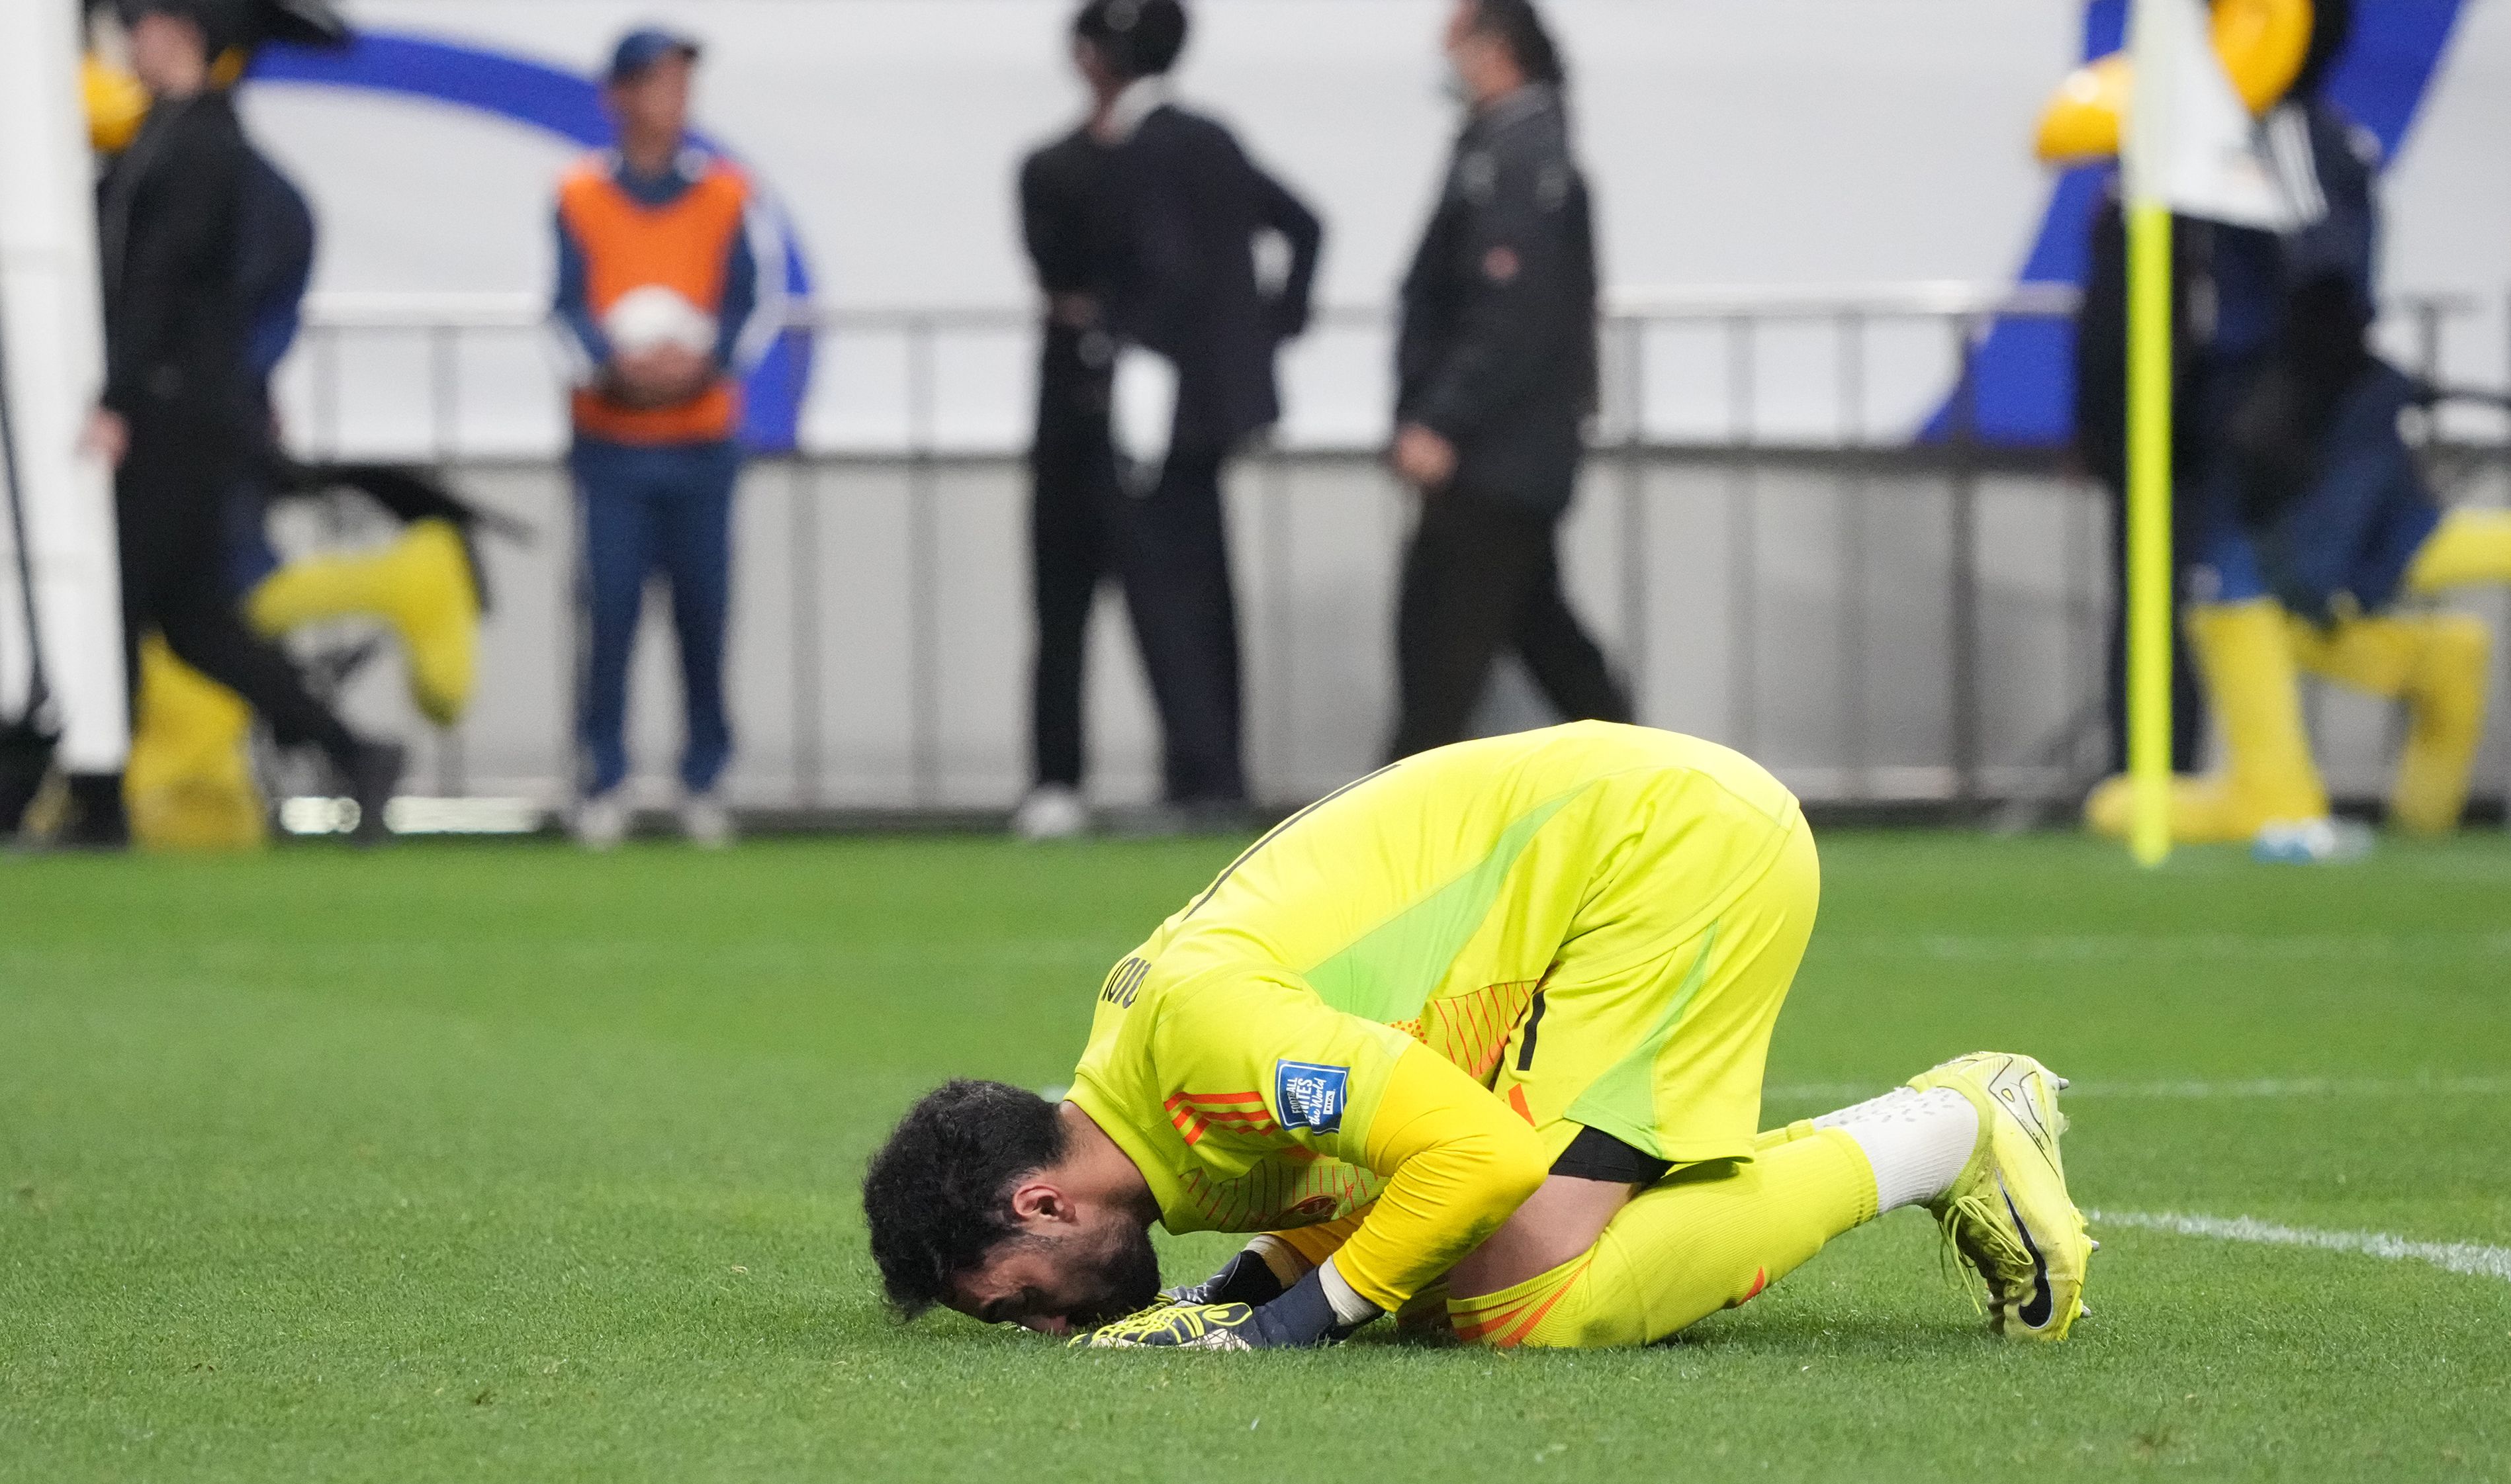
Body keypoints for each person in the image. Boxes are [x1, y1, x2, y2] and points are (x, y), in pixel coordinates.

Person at [862, 722, 2093, 1351]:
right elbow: (1365, 1156)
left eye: (1017, 1303)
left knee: (1519, 1295)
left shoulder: (1200, 1040)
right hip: (1603, 874)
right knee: (1436, 1277)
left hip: (1664, 851)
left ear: (1041, 1204)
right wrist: (1244, 1291)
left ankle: (1955, 1125)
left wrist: (1287, 1328)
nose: (1048, 1328)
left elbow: (1471, 1161)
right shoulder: (1148, 1091)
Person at [2053, 0, 2511, 846]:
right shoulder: (2183, 146)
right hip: (2240, 419)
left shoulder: (2293, 136)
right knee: (2268, 589)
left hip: (2313, 413)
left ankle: (2282, 795)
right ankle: (2324, 755)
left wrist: (2285, 409)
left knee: (2289, 574)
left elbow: (2332, 289)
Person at [83, 0, 402, 843]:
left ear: (179, 35)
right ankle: (348, 748)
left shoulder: (201, 152)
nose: (128, 43)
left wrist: (115, 399)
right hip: (184, 408)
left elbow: (160, 284)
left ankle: (97, 795)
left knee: (123, 600)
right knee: (193, 621)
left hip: (174, 414)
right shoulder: (174, 140)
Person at [1069, 0, 1321, 820]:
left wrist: (1125, 340)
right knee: (1206, 590)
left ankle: (1201, 776)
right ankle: (1217, 771)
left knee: (1166, 595)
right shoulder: (1208, 137)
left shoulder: (1143, 149)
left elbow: (1166, 270)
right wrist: (1264, 336)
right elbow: (1304, 225)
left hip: (1155, 404)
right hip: (1213, 407)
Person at [1387, 0, 1631, 763]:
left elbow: (1508, 314)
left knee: (1438, 656)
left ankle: (1394, 835)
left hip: (1497, 455)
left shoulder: (1520, 158)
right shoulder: (1506, 147)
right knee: (1546, 640)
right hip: (1510, 452)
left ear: (1495, 51)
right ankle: (1659, 789)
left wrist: (1442, 419)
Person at [549, 26, 758, 850]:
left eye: (680, 84)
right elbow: (563, 308)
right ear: (621, 97)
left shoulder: (727, 196)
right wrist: (615, 365)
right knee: (609, 613)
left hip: (702, 442)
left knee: (706, 614)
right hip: (612, 444)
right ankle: (602, 776)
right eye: (655, 84)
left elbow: (750, 307)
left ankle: (704, 776)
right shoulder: (579, 195)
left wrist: (699, 363)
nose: (670, 101)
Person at [1009, 120, 1120, 841]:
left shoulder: (1186, 151)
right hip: (1071, 432)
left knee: (1179, 610)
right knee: (1060, 604)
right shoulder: (1049, 164)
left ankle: (1205, 772)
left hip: (1162, 431)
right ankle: (1057, 775)